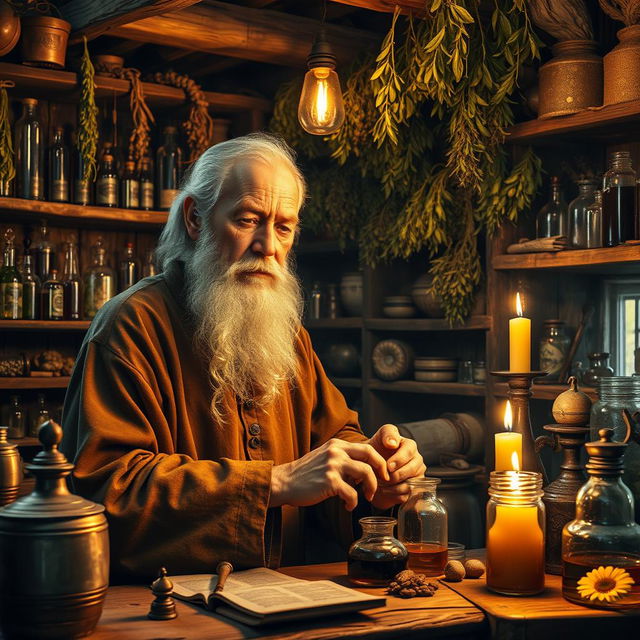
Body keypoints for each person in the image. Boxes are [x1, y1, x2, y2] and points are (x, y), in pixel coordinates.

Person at [61, 133, 425, 579]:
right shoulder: (130, 326)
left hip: (285, 599)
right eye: (248, 219)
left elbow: (334, 443)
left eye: (284, 227)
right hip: (165, 607)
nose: (268, 245)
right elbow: (108, 489)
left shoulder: (287, 334)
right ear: (196, 219)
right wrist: (274, 483)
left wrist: (378, 475)